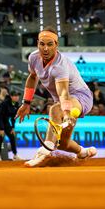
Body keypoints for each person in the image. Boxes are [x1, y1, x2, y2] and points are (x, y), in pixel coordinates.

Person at [16, 26, 96, 167]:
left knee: (54, 110)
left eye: (50, 44)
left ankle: (45, 152)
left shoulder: (60, 66)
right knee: (62, 143)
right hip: (63, 100)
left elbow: (63, 92)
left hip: (80, 96)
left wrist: (66, 112)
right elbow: (33, 77)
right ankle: (84, 152)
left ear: (56, 45)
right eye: (42, 44)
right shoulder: (33, 58)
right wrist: (26, 103)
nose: (45, 48)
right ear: (37, 44)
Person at [0, 91, 22, 161]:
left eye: (17, 96)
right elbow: (0, 116)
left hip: (5, 120)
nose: (17, 97)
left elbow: (13, 117)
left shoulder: (16, 104)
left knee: (12, 136)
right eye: (15, 95)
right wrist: (1, 128)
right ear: (11, 96)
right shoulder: (5, 103)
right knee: (1, 136)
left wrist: (13, 127)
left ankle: (15, 155)